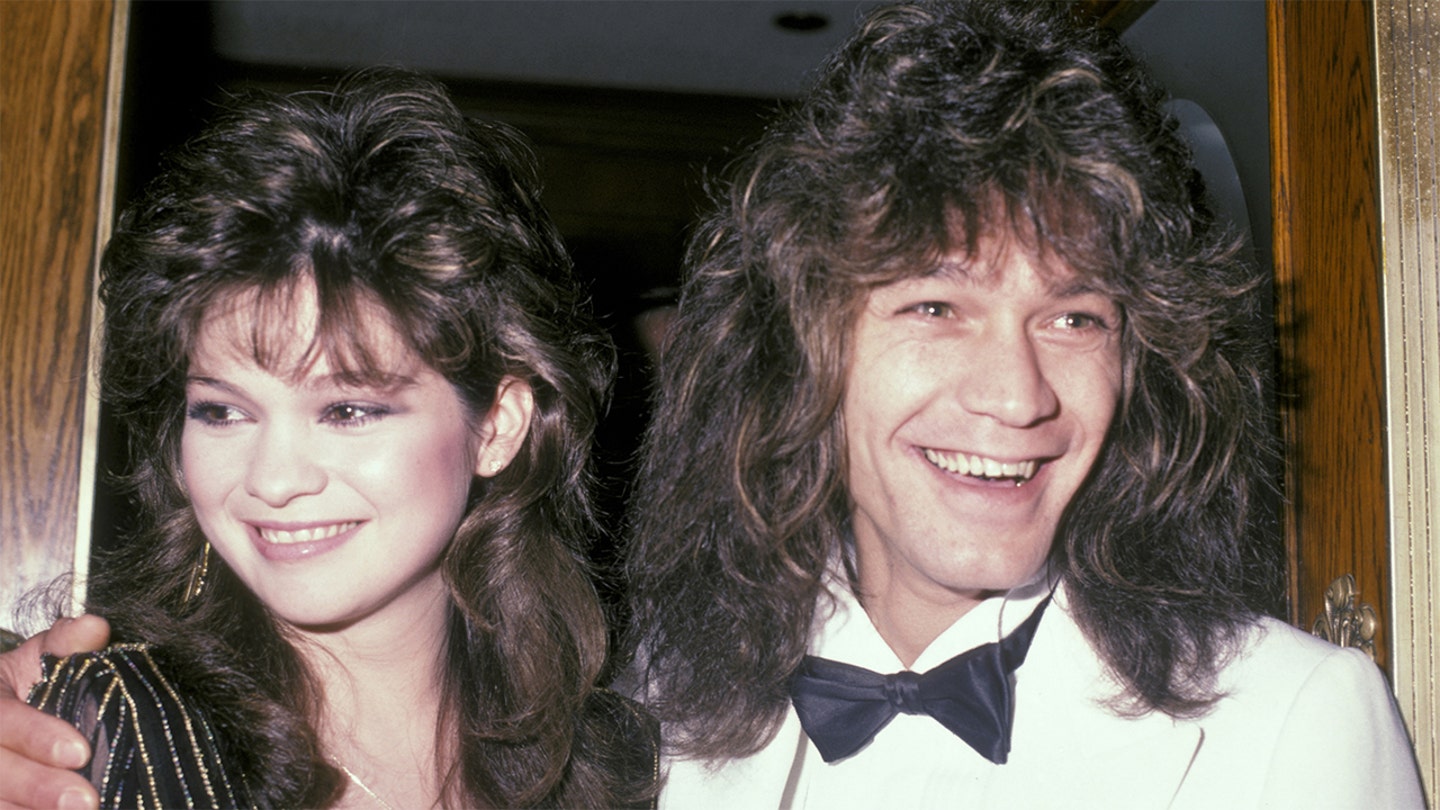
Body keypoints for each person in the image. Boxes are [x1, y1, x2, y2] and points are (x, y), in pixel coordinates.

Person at [623, 1, 1424, 808]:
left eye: (1075, 319)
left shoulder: (1297, 719)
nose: (1016, 397)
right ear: (800, 346)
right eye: (936, 307)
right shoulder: (652, 711)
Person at [1, 68, 656, 809]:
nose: (273, 480)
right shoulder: (111, 733)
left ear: (497, 426)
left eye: (347, 410)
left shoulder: (625, 759)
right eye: (222, 411)